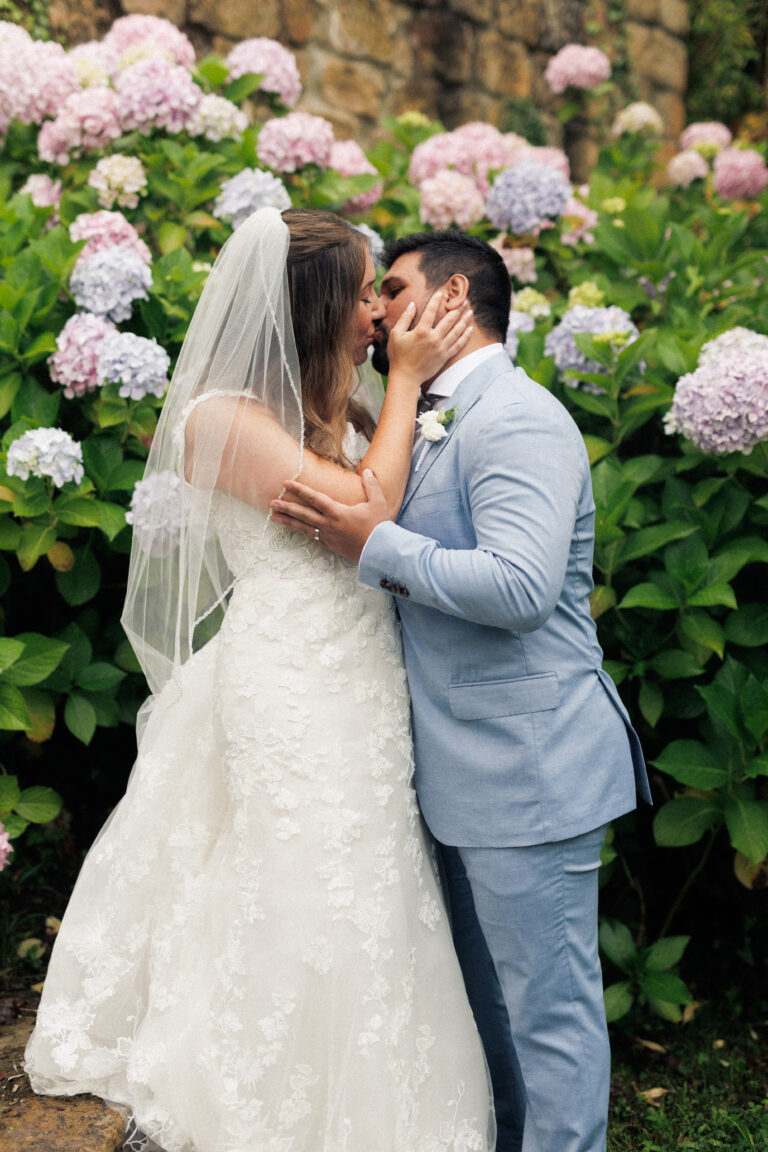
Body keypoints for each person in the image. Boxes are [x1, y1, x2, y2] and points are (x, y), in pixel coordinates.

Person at [24, 208, 497, 1152]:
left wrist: (393, 390)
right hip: (290, 680)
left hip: (359, 675)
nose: (376, 314)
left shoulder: (327, 409)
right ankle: (259, 1102)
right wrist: (404, 379)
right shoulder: (221, 420)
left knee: (372, 876)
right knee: (302, 874)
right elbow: (366, 507)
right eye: (363, 294)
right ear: (312, 308)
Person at [270, 230, 652, 1152]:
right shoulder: (411, 413)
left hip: (532, 768)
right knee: (490, 1017)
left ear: (449, 300)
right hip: (453, 775)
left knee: (549, 1018)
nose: (372, 311)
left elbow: (520, 589)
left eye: (389, 290)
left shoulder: (516, 418)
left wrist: (378, 549)